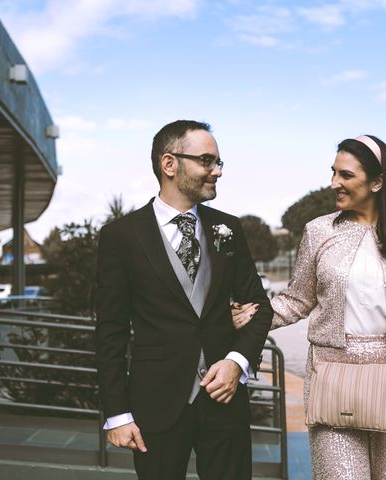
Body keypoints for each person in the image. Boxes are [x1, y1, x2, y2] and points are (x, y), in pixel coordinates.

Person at [233, 135, 386, 479]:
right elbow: (298, 299)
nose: (334, 183)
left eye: (345, 175)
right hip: (332, 380)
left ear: (377, 181)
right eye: (333, 172)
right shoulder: (318, 232)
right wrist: (253, 314)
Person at [94, 120, 273, 480]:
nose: (217, 171)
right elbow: (110, 331)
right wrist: (117, 414)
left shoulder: (228, 228)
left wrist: (237, 362)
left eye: (219, 162)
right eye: (207, 161)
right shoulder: (121, 237)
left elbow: (259, 307)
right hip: (156, 402)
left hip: (224, 402)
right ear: (169, 164)